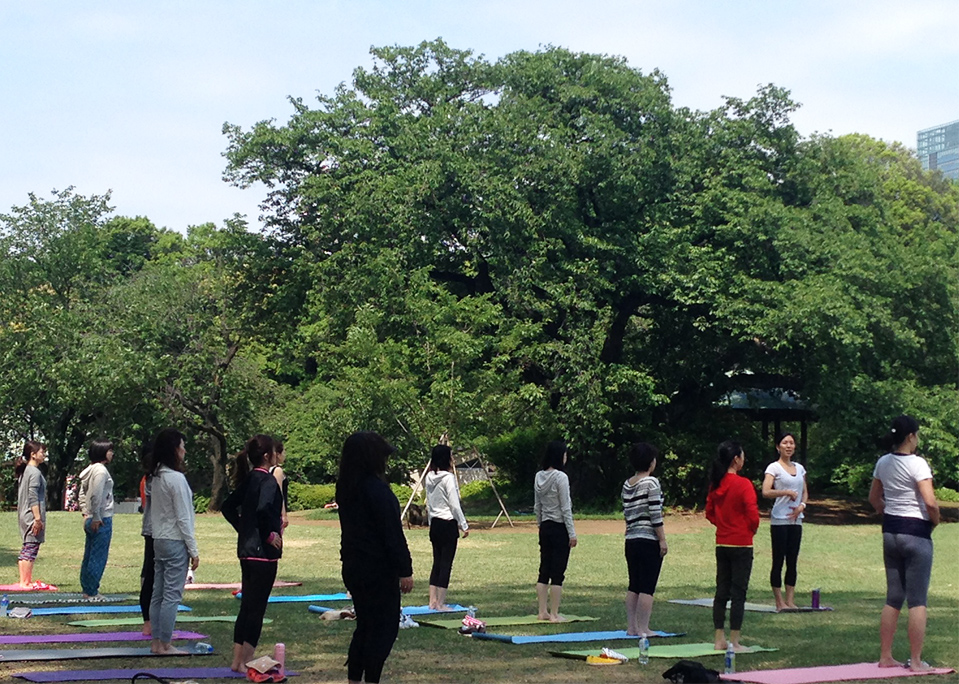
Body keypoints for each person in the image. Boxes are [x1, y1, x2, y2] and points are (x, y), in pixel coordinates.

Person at [337, 431, 413, 684]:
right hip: (378, 570)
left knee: (365, 627)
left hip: (353, 566)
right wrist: (405, 569)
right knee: (383, 630)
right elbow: (392, 533)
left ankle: (354, 679)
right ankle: (371, 679)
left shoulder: (347, 489)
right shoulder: (377, 490)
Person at [869, 415, 940, 672]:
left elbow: (874, 498)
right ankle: (917, 661)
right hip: (916, 533)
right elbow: (930, 502)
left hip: (891, 532)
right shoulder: (918, 464)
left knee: (893, 598)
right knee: (917, 600)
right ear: (910, 437)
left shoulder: (883, 462)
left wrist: (888, 511)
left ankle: (885, 656)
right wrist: (935, 520)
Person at [222, 435, 284, 673]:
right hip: (263, 555)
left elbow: (228, 507)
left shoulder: (249, 479)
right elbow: (263, 509)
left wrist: (244, 528)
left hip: (246, 551)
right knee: (256, 609)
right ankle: (247, 661)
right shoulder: (267, 481)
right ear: (268, 456)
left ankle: (237, 661)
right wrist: (269, 534)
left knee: (246, 607)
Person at [148, 428, 200, 655]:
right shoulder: (176, 479)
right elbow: (184, 517)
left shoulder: (156, 476)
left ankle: (157, 642)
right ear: (174, 450)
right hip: (174, 540)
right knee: (171, 595)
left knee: (158, 594)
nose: (184, 450)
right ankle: (165, 644)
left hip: (159, 539)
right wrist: (193, 549)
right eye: (182, 446)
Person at [706, 440, 759, 652]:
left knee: (721, 592)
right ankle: (735, 641)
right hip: (742, 543)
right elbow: (752, 513)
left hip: (722, 542)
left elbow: (709, 512)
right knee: (738, 593)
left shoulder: (716, 484)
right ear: (736, 459)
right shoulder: (743, 484)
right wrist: (749, 529)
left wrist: (722, 524)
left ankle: (719, 638)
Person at [622, 441, 668, 637]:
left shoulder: (627, 484)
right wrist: (663, 540)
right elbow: (655, 514)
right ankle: (644, 628)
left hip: (631, 538)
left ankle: (632, 627)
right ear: (651, 462)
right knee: (647, 587)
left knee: (634, 585)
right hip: (648, 539)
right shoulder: (652, 482)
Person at [762, 432, 808, 611]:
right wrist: (785, 492)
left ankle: (790, 600)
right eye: (784, 443)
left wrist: (801, 506)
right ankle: (779, 601)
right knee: (778, 560)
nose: (788, 446)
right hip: (780, 519)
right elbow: (766, 491)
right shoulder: (773, 468)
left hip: (796, 520)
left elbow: (805, 491)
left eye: (791, 443)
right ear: (778, 447)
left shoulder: (800, 468)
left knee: (793, 560)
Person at [534, 440, 577, 622]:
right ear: (560, 456)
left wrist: (540, 524)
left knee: (544, 569)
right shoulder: (561, 477)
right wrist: (572, 532)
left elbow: (537, 505)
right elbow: (565, 507)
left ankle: (542, 611)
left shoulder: (538, 476)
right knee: (558, 572)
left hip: (545, 526)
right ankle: (554, 614)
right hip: (559, 527)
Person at [425, 444, 469, 611]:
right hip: (448, 522)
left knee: (436, 562)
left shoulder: (429, 477)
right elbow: (454, 504)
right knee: (446, 564)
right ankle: (441, 603)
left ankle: (432, 601)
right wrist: (463, 524)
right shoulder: (448, 478)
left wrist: (430, 522)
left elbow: (430, 502)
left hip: (435, 522)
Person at [79, 439, 116, 599]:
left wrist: (85, 513)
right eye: (109, 450)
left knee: (89, 555)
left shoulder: (89, 470)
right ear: (102, 452)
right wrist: (96, 516)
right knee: (98, 556)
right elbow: (96, 495)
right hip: (101, 519)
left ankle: (87, 588)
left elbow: (82, 494)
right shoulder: (101, 471)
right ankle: (92, 591)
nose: (112, 453)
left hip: (91, 517)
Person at [16, 441, 48, 589]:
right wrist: (37, 519)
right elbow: (33, 496)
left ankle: (25, 580)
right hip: (31, 515)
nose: (44, 454)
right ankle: (25, 582)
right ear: (33, 454)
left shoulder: (26, 471)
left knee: (27, 547)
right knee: (31, 548)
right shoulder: (34, 472)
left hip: (24, 514)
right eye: (42, 452)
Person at [139, 444, 155, 636]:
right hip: (155, 531)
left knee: (148, 575)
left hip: (151, 530)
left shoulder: (148, 480)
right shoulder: (150, 480)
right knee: (150, 576)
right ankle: (149, 622)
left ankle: (149, 622)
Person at [271, 439, 290, 530]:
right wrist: (284, 514)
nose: (284, 455)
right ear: (278, 454)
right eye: (283, 452)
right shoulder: (277, 471)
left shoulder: (268, 470)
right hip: (276, 513)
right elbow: (279, 493)